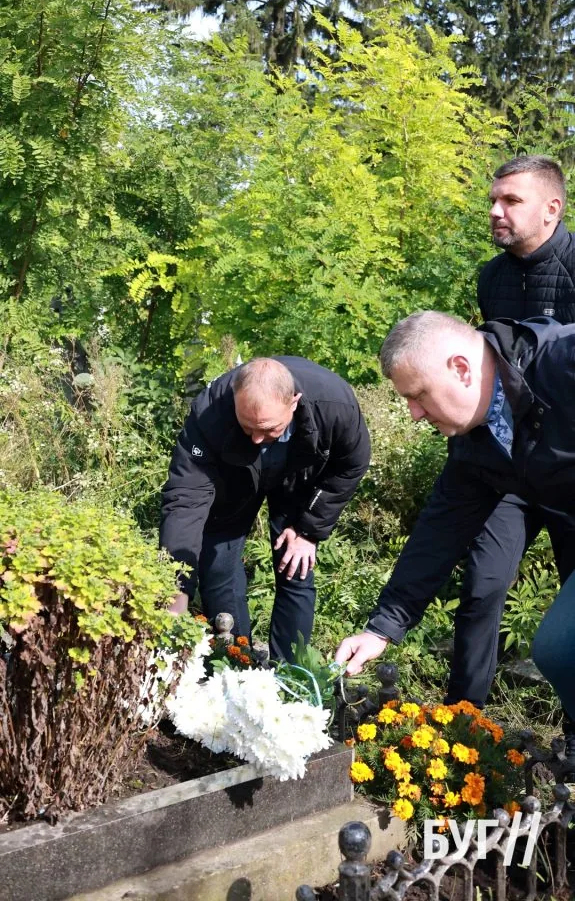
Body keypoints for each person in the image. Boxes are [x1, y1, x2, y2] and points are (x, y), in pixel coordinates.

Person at [334, 310, 575, 763]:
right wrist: (382, 629)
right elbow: (438, 533)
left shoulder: (563, 364)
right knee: (561, 648)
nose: (413, 413)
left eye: (418, 395)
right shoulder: (477, 441)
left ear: (461, 369)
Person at [444, 156, 575, 723]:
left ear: (553, 208)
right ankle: (463, 722)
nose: (496, 212)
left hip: (569, 471)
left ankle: (571, 731)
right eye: (493, 201)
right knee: (481, 585)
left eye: (511, 201)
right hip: (506, 469)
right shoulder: (490, 277)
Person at [160, 356, 370, 661]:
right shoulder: (211, 412)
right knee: (217, 565)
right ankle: (235, 663)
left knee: (295, 566)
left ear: (294, 402)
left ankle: (287, 675)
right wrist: (175, 588)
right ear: (235, 399)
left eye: (268, 428)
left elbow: (352, 464)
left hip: (300, 470)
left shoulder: (334, 404)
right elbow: (185, 498)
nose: (258, 438)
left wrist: (309, 531)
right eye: (248, 426)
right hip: (235, 474)